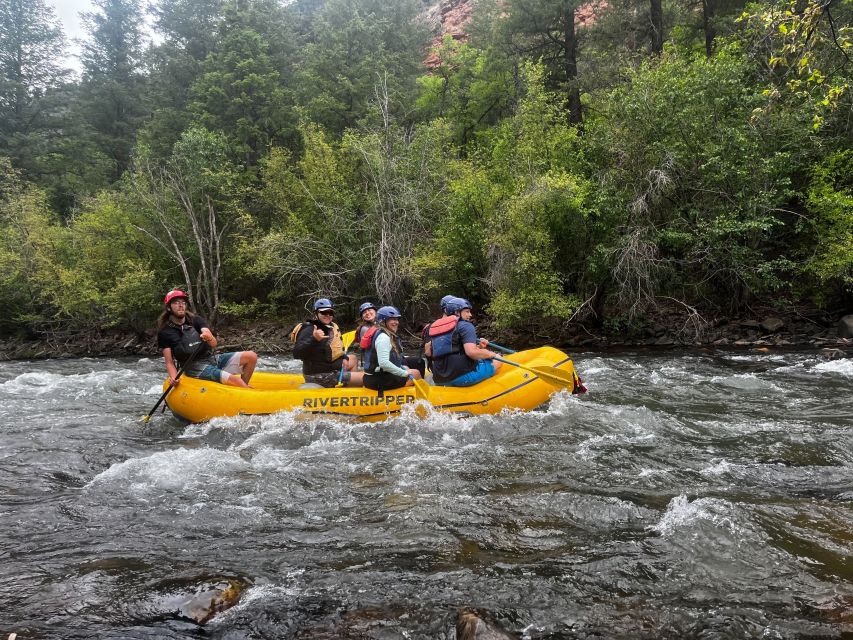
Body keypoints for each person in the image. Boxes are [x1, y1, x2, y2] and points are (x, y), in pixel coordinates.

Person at [157, 290, 257, 388]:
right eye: (176, 303)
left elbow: (214, 344)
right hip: (194, 367)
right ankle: (244, 390)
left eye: (183, 302)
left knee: (251, 356)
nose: (181, 305)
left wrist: (207, 336)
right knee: (235, 380)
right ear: (169, 308)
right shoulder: (165, 332)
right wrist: (174, 377)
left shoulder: (196, 320)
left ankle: (243, 389)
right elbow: (169, 361)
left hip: (211, 359)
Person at [427, 297, 501, 387]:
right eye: (467, 311)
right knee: (498, 359)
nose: (470, 315)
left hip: (439, 379)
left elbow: (450, 352)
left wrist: (480, 348)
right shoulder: (466, 326)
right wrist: (491, 354)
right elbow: (471, 352)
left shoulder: (438, 329)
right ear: (457, 312)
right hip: (462, 377)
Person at [292, 298, 363, 388]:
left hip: (328, 367)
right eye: (324, 312)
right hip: (319, 376)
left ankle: (349, 389)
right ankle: (352, 384)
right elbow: (296, 353)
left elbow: (335, 348)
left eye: (331, 313)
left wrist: (343, 357)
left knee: (352, 358)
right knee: (366, 378)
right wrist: (314, 339)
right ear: (316, 313)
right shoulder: (309, 329)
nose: (328, 315)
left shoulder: (329, 327)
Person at [361, 306, 422, 394]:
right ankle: (413, 397)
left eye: (397, 319)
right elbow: (383, 363)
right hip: (378, 380)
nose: (396, 322)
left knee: (405, 367)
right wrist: (404, 373)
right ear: (383, 321)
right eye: (392, 319)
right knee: (416, 373)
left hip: (374, 377)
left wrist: (403, 370)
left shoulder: (382, 334)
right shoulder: (383, 337)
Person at [349, 302, 377, 367]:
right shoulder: (364, 329)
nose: (367, 313)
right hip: (373, 361)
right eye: (364, 312)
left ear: (375, 312)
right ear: (362, 317)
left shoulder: (379, 324)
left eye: (369, 310)